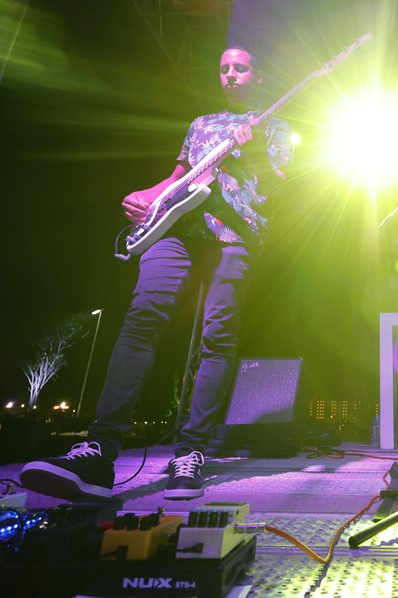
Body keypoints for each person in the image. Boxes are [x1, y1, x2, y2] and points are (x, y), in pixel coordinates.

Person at [20, 46, 291, 501]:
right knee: (141, 317)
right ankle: (99, 450)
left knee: (217, 337)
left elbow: (284, 184)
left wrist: (258, 154)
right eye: (223, 67)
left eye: (240, 68)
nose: (229, 74)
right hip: (174, 227)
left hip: (234, 233)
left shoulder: (273, 125)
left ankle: (191, 453)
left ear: (257, 76)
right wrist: (146, 196)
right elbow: (179, 175)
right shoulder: (201, 123)